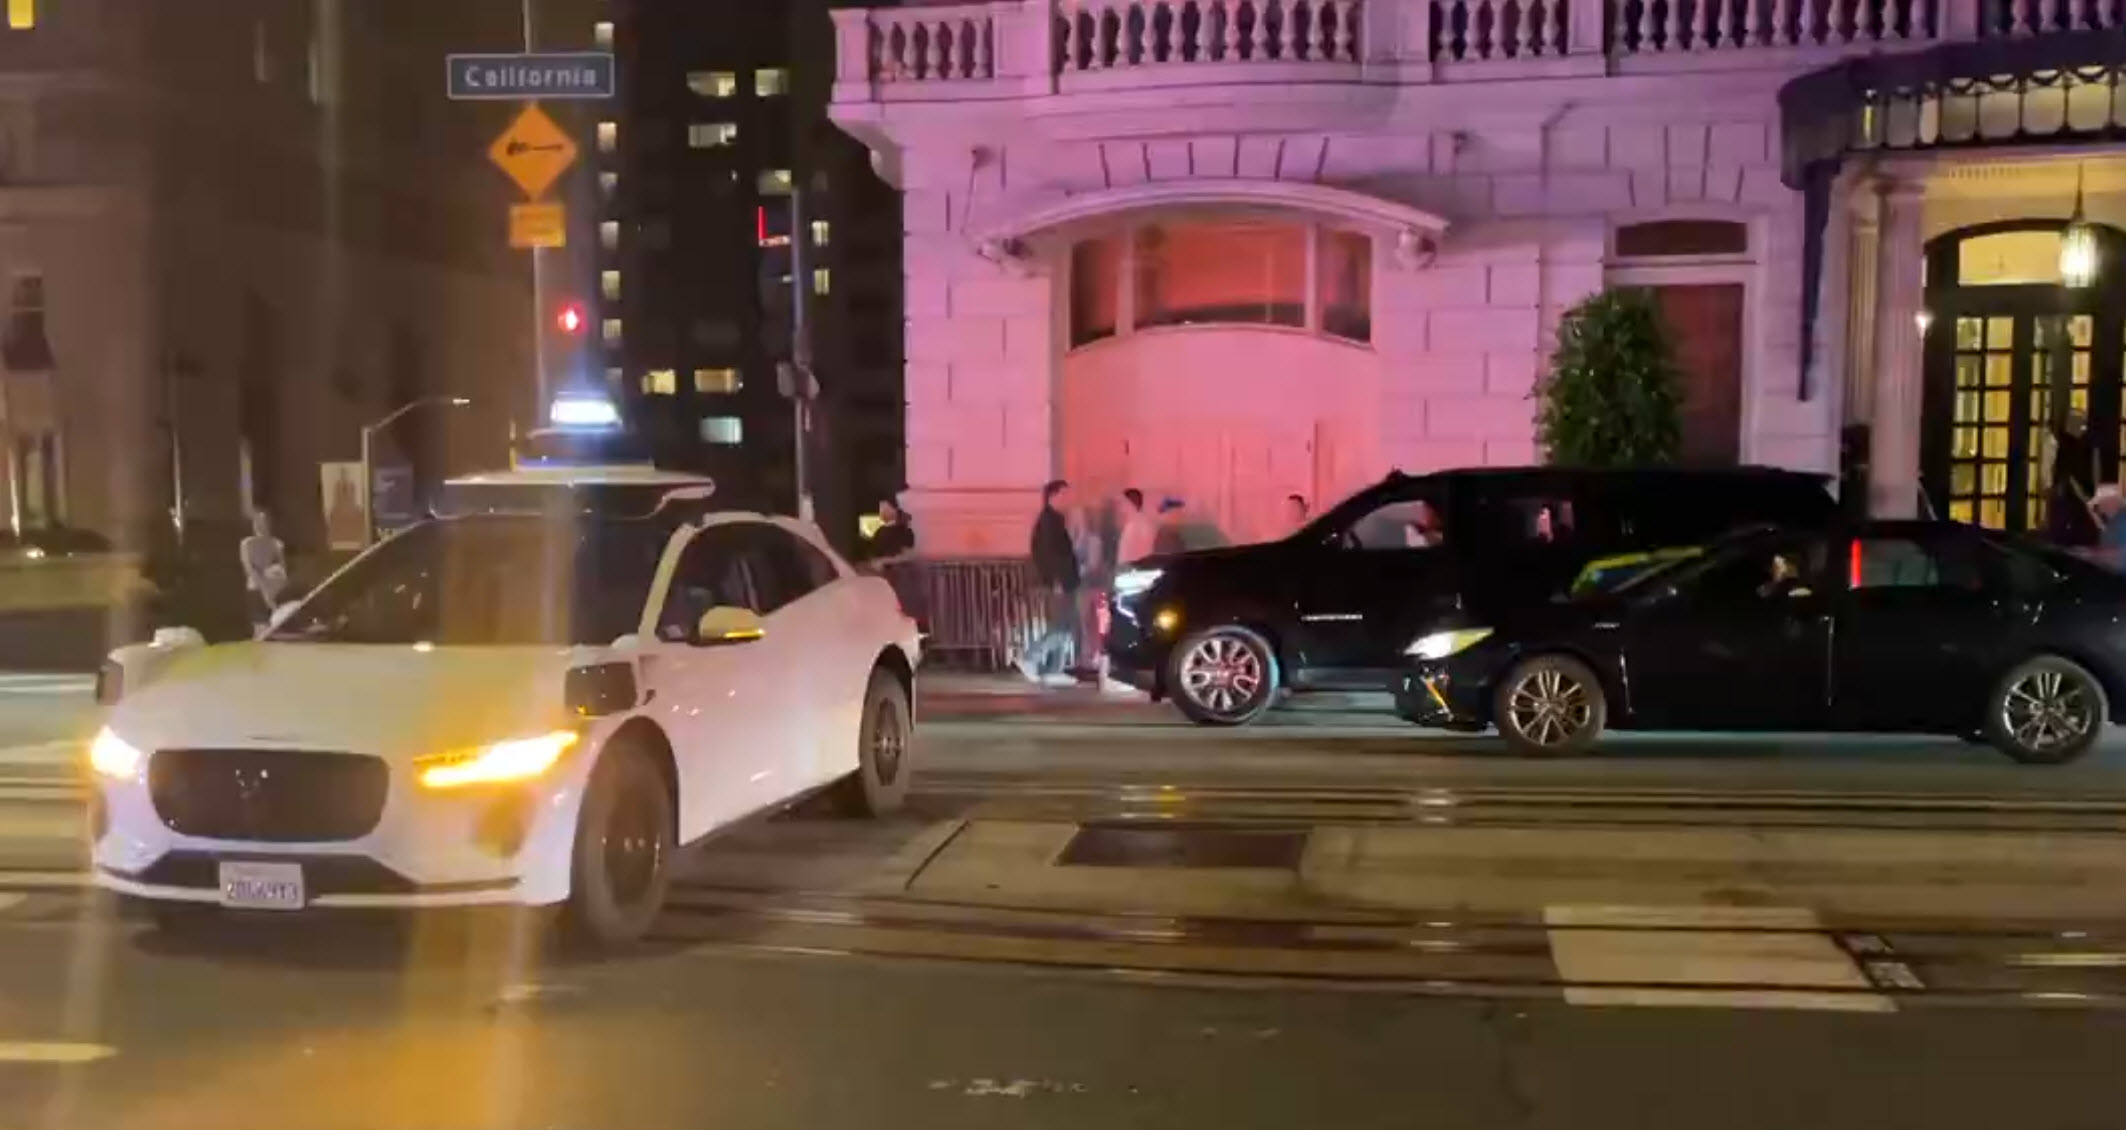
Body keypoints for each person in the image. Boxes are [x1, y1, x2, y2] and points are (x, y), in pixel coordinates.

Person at [1017, 480, 1080, 687]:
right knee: (1061, 625)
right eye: (1065, 494)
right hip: (1061, 582)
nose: (1069, 499)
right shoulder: (1049, 521)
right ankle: (1031, 657)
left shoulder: (1055, 520)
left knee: (1065, 625)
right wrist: (1056, 580)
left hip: (1064, 581)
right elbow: (1049, 555)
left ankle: (1054, 669)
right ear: (1054, 496)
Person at [2047, 409, 2100, 548]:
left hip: (2078, 501)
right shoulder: (2062, 447)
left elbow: (2094, 474)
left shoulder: (2088, 447)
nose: (2082, 427)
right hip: (2072, 501)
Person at [239, 510, 289, 628]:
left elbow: (282, 567)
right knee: (259, 626)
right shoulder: (247, 544)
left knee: (275, 626)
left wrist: (276, 582)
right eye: (257, 523)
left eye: (263, 522)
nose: (260, 526)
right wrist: (263, 587)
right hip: (256, 589)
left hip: (274, 590)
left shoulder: (277, 544)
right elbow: (248, 567)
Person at [863, 496, 916, 566]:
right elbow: (873, 553)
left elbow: (908, 556)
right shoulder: (880, 530)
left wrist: (885, 561)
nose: (881, 511)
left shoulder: (906, 532)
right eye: (881, 508)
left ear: (895, 510)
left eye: (885, 508)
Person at [1115, 488, 1159, 567]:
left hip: (1134, 572)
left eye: (1122, 503)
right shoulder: (1136, 524)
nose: (1120, 508)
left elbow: (1137, 556)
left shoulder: (1137, 526)